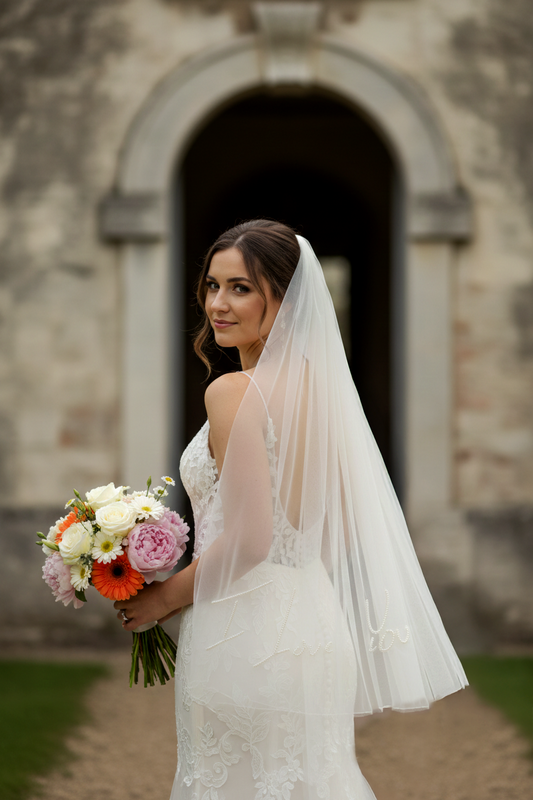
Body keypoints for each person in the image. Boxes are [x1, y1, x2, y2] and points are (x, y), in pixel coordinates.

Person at [116, 220, 468, 799]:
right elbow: (334, 532)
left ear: (285, 296)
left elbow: (251, 539)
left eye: (240, 288)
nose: (217, 305)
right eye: (212, 285)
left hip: (240, 630)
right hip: (313, 622)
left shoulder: (232, 392)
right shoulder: (325, 395)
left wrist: (159, 599)